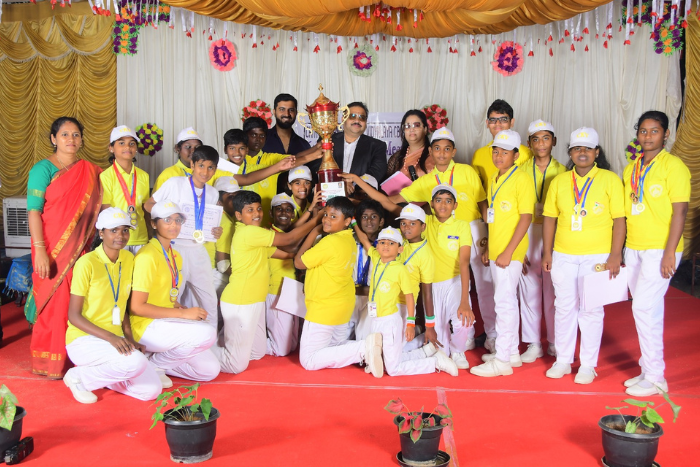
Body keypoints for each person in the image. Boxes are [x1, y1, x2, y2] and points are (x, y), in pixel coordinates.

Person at [390, 128, 495, 354]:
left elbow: (482, 203)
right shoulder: (427, 181)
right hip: (445, 232)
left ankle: (492, 335)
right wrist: (366, 197)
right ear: (430, 151)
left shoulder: (467, 171)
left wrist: (490, 236)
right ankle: (465, 334)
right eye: (437, 148)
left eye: (447, 149)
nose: (441, 153)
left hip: (473, 228)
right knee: (456, 280)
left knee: (484, 284)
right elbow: (397, 198)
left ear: (453, 151)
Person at [542, 128, 626, 385]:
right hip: (564, 254)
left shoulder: (610, 179)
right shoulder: (559, 181)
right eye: (577, 148)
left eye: (588, 148)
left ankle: (588, 365)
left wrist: (615, 254)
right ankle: (563, 360)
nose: (582, 153)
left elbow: (619, 220)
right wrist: (547, 252)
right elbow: (549, 219)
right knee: (564, 308)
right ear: (570, 152)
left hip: (597, 256)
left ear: (596, 152)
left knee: (591, 309)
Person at [26, 116, 102, 378]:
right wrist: (40, 250)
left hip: (80, 249)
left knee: (78, 301)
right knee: (53, 303)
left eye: (76, 135)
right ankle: (50, 361)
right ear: (53, 139)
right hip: (50, 248)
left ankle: (78, 357)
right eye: (65, 134)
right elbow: (34, 212)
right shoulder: (42, 169)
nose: (71, 139)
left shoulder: (90, 171)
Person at [214, 191, 321, 374]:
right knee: (235, 366)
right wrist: (316, 223)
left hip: (256, 301)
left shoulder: (256, 237)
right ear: (238, 215)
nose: (256, 213)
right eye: (250, 210)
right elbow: (289, 239)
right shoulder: (249, 232)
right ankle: (199, 352)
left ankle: (224, 348)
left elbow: (289, 253)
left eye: (258, 209)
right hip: (241, 301)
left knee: (257, 352)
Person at [622, 111, 690, 397]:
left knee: (642, 308)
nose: (648, 136)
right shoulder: (631, 168)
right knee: (649, 310)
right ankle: (648, 370)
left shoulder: (674, 166)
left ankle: (656, 377)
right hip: (634, 246)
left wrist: (670, 252)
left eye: (654, 131)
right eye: (643, 131)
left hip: (660, 249)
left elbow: (680, 212)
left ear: (666, 134)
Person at [64, 208, 161, 404]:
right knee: (136, 362)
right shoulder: (86, 263)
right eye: (113, 230)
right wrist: (111, 337)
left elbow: (121, 304)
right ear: (101, 233)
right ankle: (78, 377)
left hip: (116, 338)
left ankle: (107, 377)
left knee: (152, 390)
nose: (120, 236)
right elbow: (73, 315)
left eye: (125, 230)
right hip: (85, 339)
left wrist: (129, 338)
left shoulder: (128, 259)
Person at [130, 201, 221, 384]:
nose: (173, 225)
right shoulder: (147, 256)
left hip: (166, 322)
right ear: (153, 224)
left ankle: (153, 361)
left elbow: (168, 296)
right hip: (145, 326)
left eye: (178, 220)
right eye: (167, 220)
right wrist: (183, 315)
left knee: (210, 370)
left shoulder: (175, 256)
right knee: (208, 333)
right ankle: (155, 365)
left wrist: (181, 308)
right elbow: (137, 307)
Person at [295, 196, 384, 377]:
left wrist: (314, 231)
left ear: (347, 221)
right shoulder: (348, 238)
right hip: (342, 306)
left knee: (309, 360)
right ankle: (368, 348)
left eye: (333, 216)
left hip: (324, 307)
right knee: (334, 348)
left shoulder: (330, 242)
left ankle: (364, 347)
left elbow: (298, 262)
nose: (326, 219)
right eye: (326, 214)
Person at [471, 130, 535, 377]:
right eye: (495, 152)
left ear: (516, 156)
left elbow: (526, 218)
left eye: (505, 153)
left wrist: (509, 252)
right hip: (497, 250)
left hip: (510, 252)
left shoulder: (522, 179)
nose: (498, 156)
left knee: (504, 304)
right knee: (506, 301)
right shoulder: (494, 178)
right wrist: (490, 247)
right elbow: (494, 218)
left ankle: (502, 361)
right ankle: (512, 353)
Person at [361, 226, 458, 377]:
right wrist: (353, 223)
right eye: (382, 242)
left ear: (400, 249)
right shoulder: (376, 258)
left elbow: (409, 296)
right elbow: (364, 240)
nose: (386, 246)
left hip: (389, 320)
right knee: (384, 358)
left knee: (392, 369)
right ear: (377, 246)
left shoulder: (400, 269)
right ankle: (425, 352)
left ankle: (435, 363)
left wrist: (410, 324)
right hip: (375, 318)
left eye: (391, 243)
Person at [518, 120, 566, 362]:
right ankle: (533, 343)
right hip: (526, 230)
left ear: (554, 141)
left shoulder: (564, 171)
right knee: (528, 289)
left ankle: (555, 342)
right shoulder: (519, 170)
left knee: (554, 290)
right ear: (529, 143)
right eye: (535, 139)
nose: (541, 143)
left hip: (553, 232)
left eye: (546, 138)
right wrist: (518, 247)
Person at [239, 117, 322, 226]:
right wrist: (315, 154)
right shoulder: (235, 161)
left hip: (267, 223)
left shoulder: (271, 158)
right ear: (245, 136)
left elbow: (294, 158)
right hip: (241, 223)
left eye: (262, 136)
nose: (258, 139)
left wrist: (317, 148)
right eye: (253, 135)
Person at [306, 102, 387, 185]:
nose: (357, 120)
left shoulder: (377, 146)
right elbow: (315, 167)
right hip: (330, 190)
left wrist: (354, 183)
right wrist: (340, 184)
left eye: (362, 117)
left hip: (360, 192)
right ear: (343, 119)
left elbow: (377, 172)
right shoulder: (327, 139)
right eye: (352, 116)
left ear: (366, 122)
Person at [100, 125, 151, 255]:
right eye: (121, 143)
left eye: (132, 143)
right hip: (117, 239)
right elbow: (106, 211)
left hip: (140, 237)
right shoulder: (105, 176)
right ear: (111, 148)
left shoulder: (143, 176)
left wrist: (151, 235)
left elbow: (145, 210)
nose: (127, 147)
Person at [266, 193, 301, 357]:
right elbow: (292, 250)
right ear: (271, 213)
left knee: (292, 344)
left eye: (288, 210)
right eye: (279, 209)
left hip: (293, 289)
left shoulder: (294, 234)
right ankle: (246, 344)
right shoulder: (268, 234)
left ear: (293, 214)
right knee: (281, 349)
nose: (283, 213)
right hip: (276, 290)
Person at [471, 99, 532, 191]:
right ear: (487, 123)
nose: (498, 123)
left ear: (512, 122)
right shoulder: (479, 154)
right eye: (493, 120)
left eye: (503, 119)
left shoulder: (527, 153)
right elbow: (475, 189)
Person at [348, 199, 385, 341]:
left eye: (373, 216)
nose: (369, 221)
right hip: (349, 295)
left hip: (373, 299)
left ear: (381, 222)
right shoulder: (349, 240)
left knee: (363, 339)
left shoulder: (386, 245)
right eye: (364, 217)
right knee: (340, 339)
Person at [262, 93, 313, 194]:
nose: (287, 114)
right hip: (266, 197)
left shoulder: (304, 144)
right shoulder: (262, 140)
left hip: (296, 200)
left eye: (291, 110)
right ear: (274, 112)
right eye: (282, 109)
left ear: (296, 113)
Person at [385, 110, 434, 180]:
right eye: (407, 126)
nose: (411, 129)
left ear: (425, 129)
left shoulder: (434, 156)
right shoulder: (396, 158)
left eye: (416, 125)